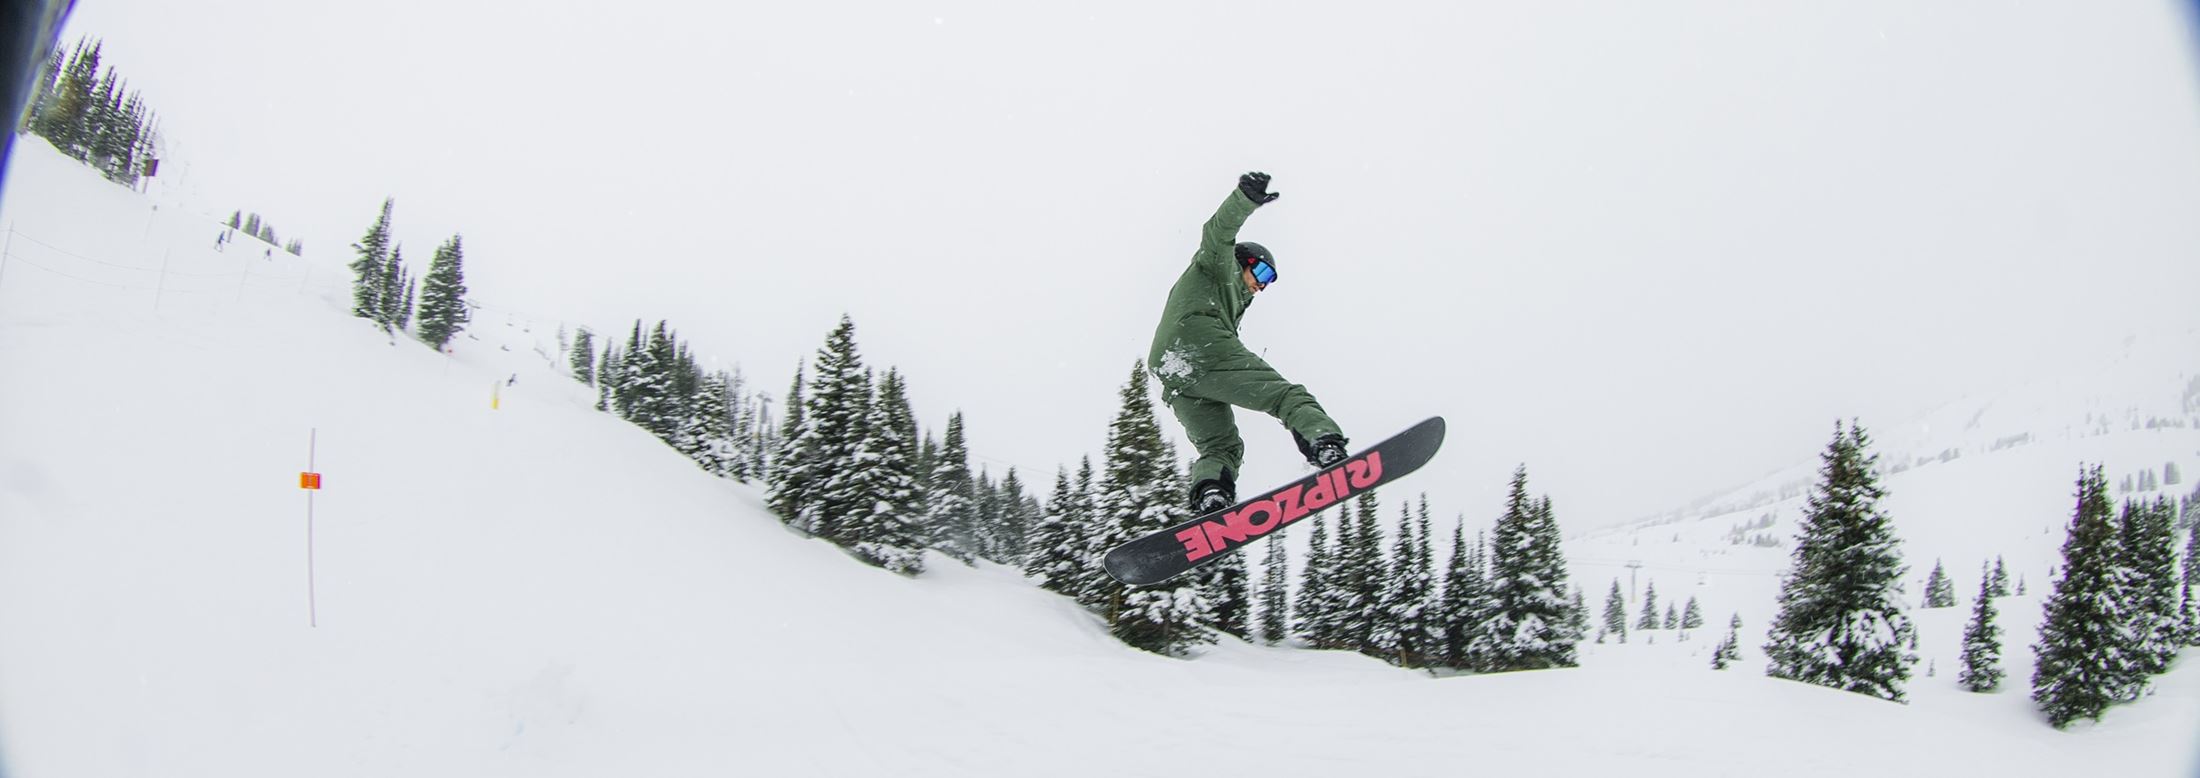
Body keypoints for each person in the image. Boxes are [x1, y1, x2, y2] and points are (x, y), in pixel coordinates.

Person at [1148, 171, 1347, 515]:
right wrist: (1245, 199)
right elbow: (1218, 232)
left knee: (1220, 447)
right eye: (1263, 274)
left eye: (1270, 281)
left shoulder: (1232, 303)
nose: (1262, 285)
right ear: (1243, 262)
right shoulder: (1219, 267)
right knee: (1286, 396)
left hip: (1170, 371)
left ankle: (1212, 494)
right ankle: (1325, 443)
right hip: (1200, 346)